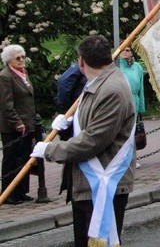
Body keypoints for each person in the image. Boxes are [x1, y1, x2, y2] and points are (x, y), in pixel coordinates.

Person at [31, 35, 135, 247]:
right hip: (87, 182)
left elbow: (93, 140)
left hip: (104, 183)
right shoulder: (98, 83)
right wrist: (68, 126)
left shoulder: (112, 89)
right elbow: (89, 125)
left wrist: (51, 150)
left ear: (81, 61)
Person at [0, 44, 37, 205]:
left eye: (23, 57)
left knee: (24, 158)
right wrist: (17, 122)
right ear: (9, 61)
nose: (22, 60)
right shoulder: (5, 76)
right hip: (13, 126)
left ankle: (21, 191)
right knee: (11, 159)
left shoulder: (23, 73)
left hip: (27, 124)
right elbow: (6, 104)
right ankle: (8, 193)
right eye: (18, 58)